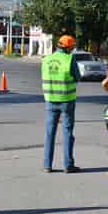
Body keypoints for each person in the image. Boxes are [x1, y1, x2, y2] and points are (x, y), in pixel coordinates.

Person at [41, 35, 81, 173]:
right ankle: (68, 164)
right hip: (67, 100)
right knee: (67, 132)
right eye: (72, 46)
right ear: (68, 47)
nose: (73, 48)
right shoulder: (70, 59)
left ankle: (47, 165)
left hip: (50, 100)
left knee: (49, 133)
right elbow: (78, 77)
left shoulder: (46, 60)